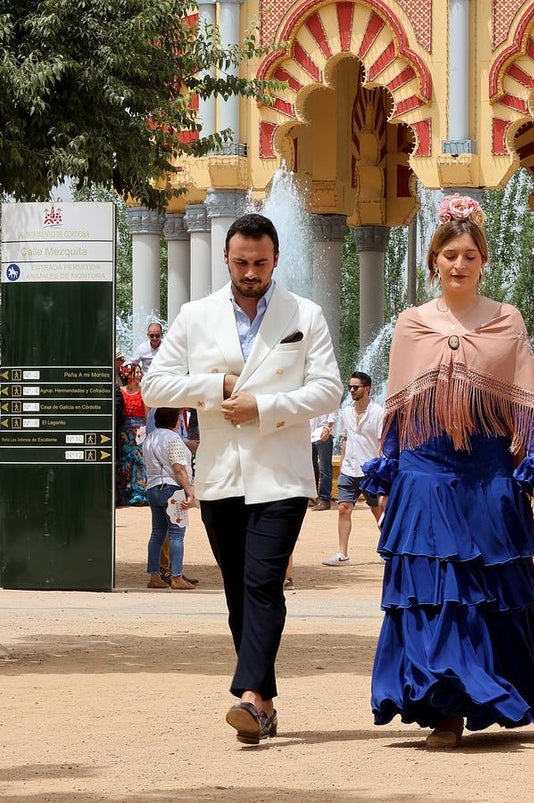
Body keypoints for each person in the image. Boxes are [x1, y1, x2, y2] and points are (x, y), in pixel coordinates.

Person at [364, 194, 534, 749]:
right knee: (433, 595)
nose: (459, 264)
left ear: (483, 261)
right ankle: (446, 708)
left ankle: (485, 693)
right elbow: (396, 409)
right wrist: (384, 476)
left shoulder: (507, 320)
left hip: (487, 476)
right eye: (450, 255)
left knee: (486, 593)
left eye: (470, 256)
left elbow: (526, 404)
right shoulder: (410, 324)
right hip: (423, 476)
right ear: (434, 260)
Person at [142, 212, 342, 745]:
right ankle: (265, 704)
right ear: (226, 259)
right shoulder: (195, 315)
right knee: (238, 590)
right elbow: (155, 386)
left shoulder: (306, 314)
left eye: (260, 262)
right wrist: (219, 386)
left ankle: (249, 695)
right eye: (240, 262)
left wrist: (265, 406)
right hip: (221, 475)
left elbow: (328, 390)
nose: (250, 272)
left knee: (262, 582)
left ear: (276, 259)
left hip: (282, 474)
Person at [322, 372, 384, 566]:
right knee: (343, 508)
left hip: (370, 470)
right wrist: (342, 465)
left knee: (377, 511)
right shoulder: (346, 412)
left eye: (355, 387)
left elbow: (381, 443)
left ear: (367, 389)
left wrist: (380, 469)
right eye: (350, 387)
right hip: (349, 469)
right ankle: (342, 554)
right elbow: (345, 439)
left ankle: (389, 549)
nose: (351, 390)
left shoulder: (379, 413)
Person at [143, 407, 198, 590]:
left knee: (157, 533)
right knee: (176, 534)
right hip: (172, 489)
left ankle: (155, 575)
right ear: (175, 420)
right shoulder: (173, 438)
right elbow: (178, 468)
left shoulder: (149, 438)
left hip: (153, 487)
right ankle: (176, 576)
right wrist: (190, 491)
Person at [117, 363, 148, 507]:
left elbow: (147, 415)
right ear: (129, 374)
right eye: (136, 372)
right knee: (125, 462)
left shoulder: (143, 391)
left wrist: (147, 431)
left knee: (140, 461)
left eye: (140, 372)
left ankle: (140, 493)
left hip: (140, 431)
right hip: (124, 432)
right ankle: (126, 493)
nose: (139, 375)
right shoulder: (120, 391)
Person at [308, 411, 336, 511]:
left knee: (324, 468)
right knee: (311, 467)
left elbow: (334, 411)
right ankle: (312, 497)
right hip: (310, 434)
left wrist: (328, 429)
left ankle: (325, 499)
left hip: (323, 432)